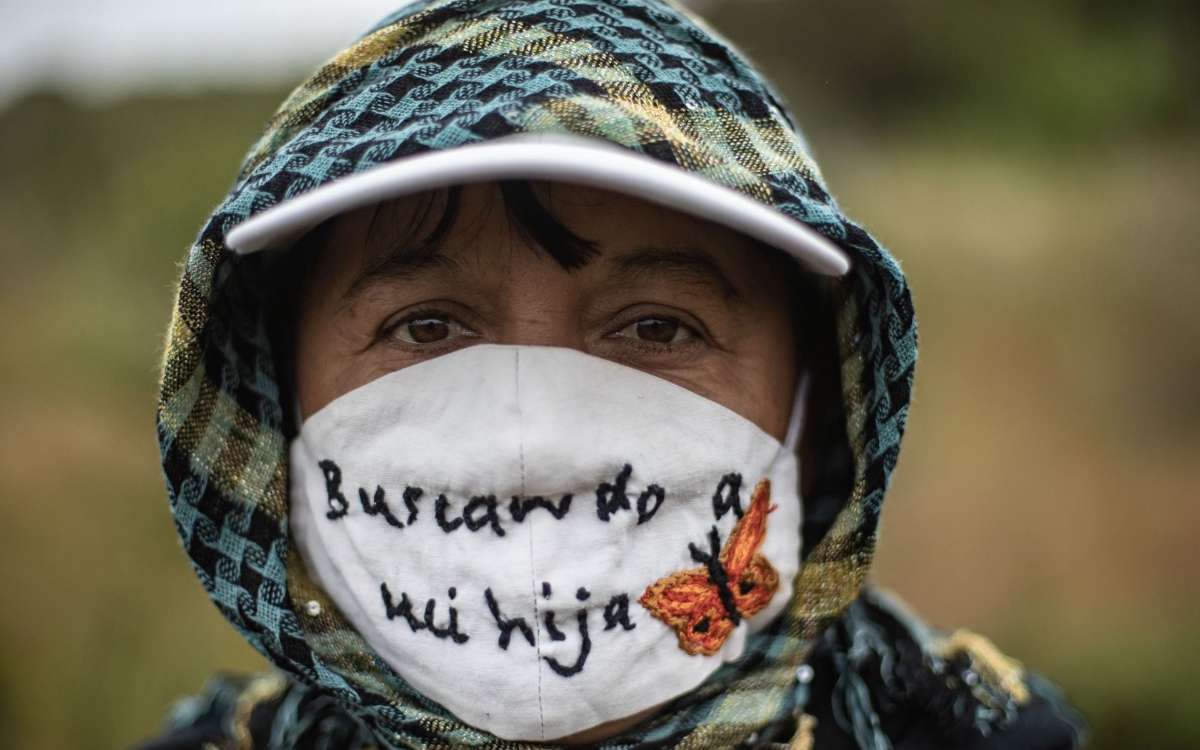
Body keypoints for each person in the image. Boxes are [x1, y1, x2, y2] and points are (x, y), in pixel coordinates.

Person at [142, 0, 1088, 748]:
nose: (536, 438)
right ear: (276, 393)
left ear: (816, 405)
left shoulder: (972, 733)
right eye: (426, 327)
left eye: (655, 326)